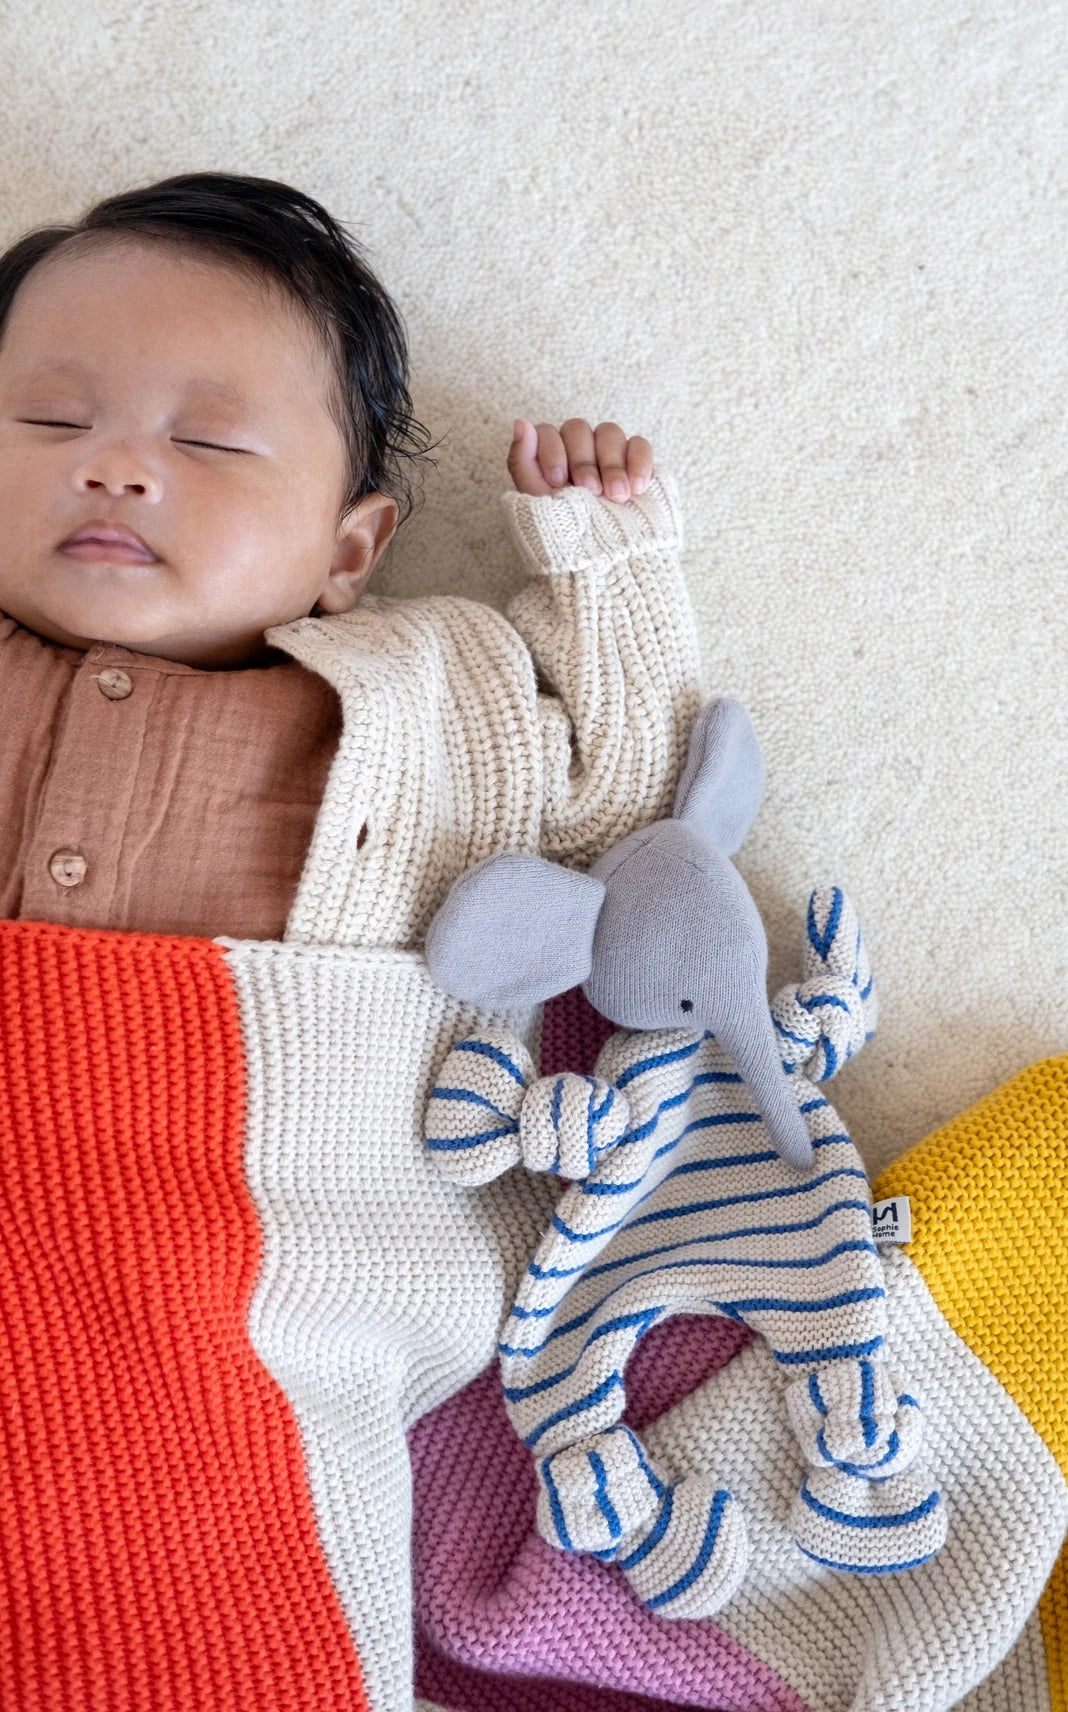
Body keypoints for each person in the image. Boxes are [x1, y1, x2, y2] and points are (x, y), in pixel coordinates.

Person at [0, 173, 701, 1710]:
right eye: (51, 423)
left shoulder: (413, 698)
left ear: (349, 544)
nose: (115, 466)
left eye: (206, 440)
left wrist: (607, 567)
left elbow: (619, 796)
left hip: (230, 1303)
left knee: (227, 1617)